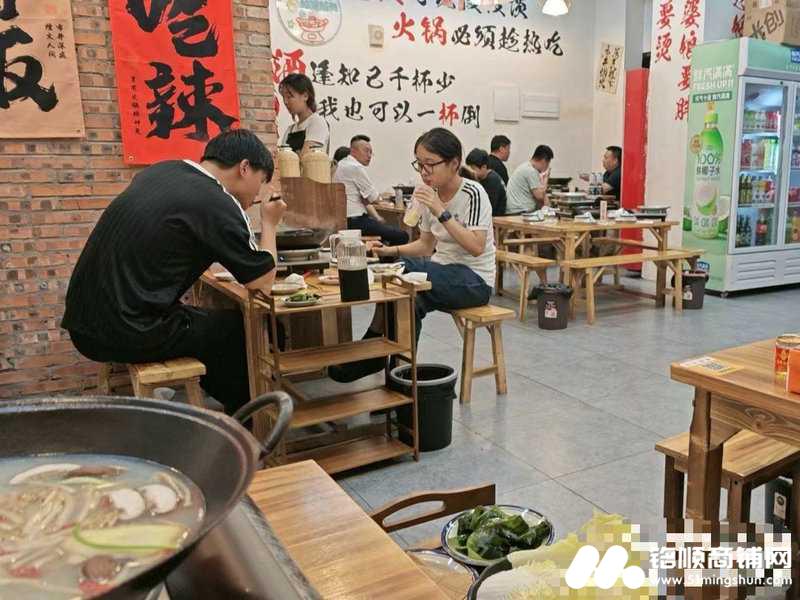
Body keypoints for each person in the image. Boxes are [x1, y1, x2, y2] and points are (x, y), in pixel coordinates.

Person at [62, 129, 286, 415]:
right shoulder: (216, 201)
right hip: (123, 329)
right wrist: (269, 223)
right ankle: (250, 415)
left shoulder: (164, 171)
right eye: (262, 181)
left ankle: (234, 404)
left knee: (212, 325)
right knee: (248, 327)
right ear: (244, 168)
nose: (259, 193)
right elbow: (262, 283)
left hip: (85, 320)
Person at [329, 128, 495, 383]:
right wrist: (391, 250)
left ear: (454, 163)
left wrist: (440, 210)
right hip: (442, 272)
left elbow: (476, 246)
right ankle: (400, 376)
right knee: (404, 290)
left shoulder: (473, 193)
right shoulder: (430, 193)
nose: (424, 172)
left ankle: (376, 350)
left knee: (404, 275)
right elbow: (426, 246)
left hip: (475, 280)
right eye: (419, 164)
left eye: (430, 164)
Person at [334, 135, 409, 246]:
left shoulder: (341, 165)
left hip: (343, 220)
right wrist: (381, 200)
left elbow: (365, 198)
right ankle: (387, 256)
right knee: (402, 236)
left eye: (371, 152)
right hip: (356, 221)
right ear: (353, 151)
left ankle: (382, 253)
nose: (369, 155)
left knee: (385, 233)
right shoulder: (355, 167)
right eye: (366, 151)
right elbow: (373, 198)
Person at [278, 73, 330, 155]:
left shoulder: (317, 122)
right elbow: (282, 158)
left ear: (305, 96)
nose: (285, 102)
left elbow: (306, 157)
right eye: (283, 97)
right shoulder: (290, 129)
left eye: (289, 97)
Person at [505, 145, 554, 214]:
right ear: (543, 161)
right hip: (518, 212)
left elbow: (542, 199)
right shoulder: (531, 171)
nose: (547, 166)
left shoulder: (526, 167)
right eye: (548, 163)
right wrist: (546, 177)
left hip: (516, 210)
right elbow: (540, 196)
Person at [465, 148, 507, 216]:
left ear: (484, 167)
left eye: (473, 168)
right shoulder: (481, 178)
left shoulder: (493, 180)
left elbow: (488, 207)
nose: (470, 171)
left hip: (495, 218)